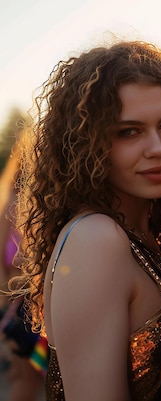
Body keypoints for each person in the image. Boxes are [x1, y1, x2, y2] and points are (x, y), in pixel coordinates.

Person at [10, 40, 161, 401]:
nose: (158, 147)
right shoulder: (95, 238)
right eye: (129, 131)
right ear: (87, 144)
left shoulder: (148, 232)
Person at [0, 152, 47, 401]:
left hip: (37, 308)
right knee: (25, 384)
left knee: (39, 383)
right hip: (20, 309)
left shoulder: (47, 204)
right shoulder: (10, 202)